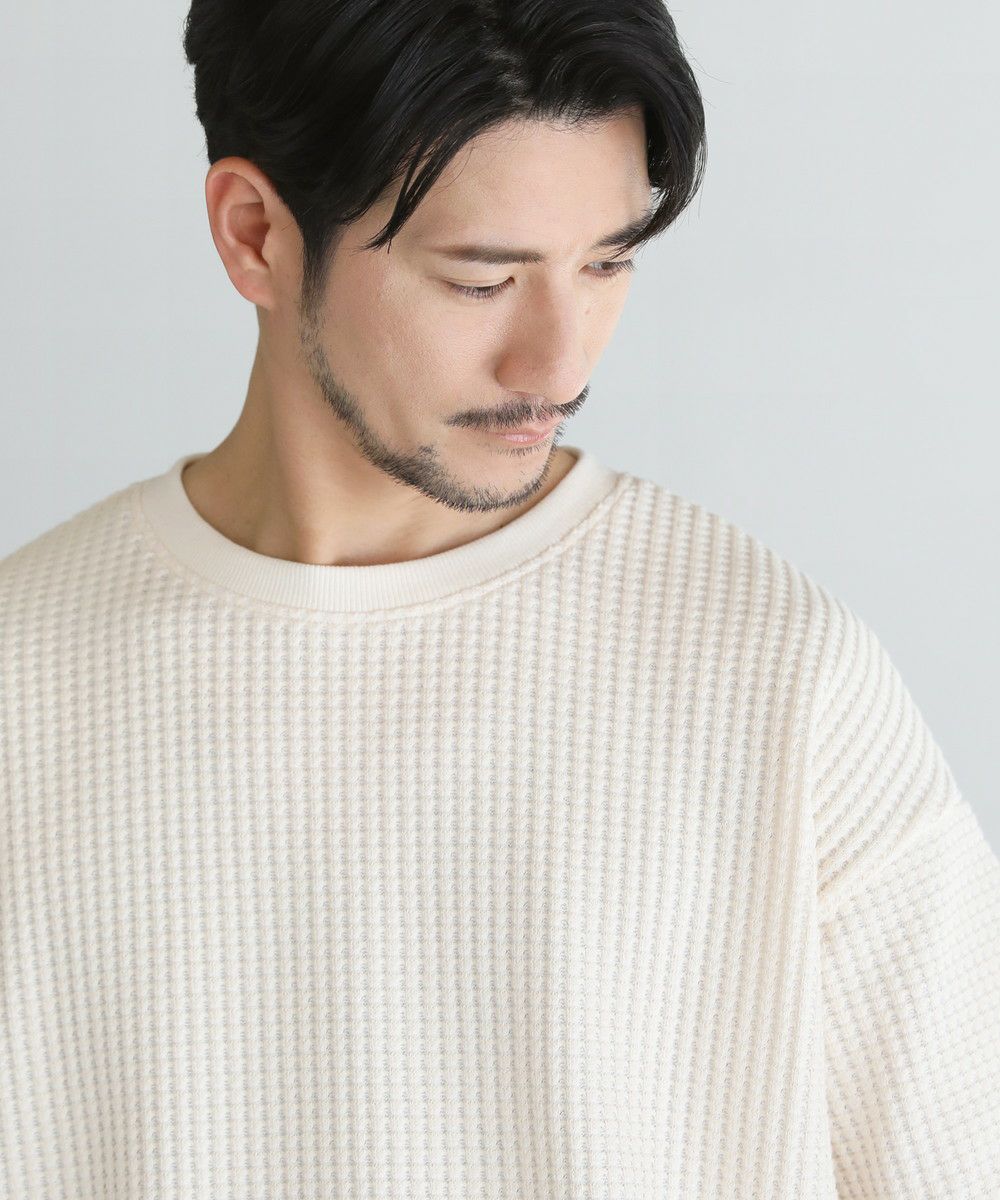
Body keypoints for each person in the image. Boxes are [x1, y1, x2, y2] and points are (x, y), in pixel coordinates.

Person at [1, 1, 997, 1196]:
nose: (558, 364)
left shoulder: (776, 679)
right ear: (255, 234)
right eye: (481, 279)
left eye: (607, 262)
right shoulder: (25, 687)